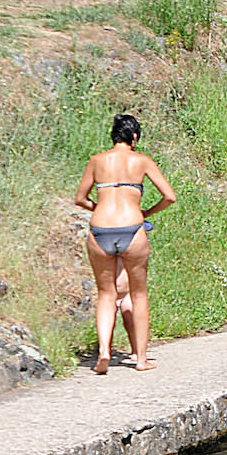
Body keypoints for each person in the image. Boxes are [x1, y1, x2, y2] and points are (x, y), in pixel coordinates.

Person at [75, 113, 176, 374]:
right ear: (134, 137)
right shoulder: (141, 161)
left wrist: (100, 207)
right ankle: (140, 359)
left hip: (100, 229)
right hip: (132, 228)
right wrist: (146, 213)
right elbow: (169, 197)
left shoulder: (97, 161)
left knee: (106, 294)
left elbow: (80, 199)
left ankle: (104, 353)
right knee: (139, 294)